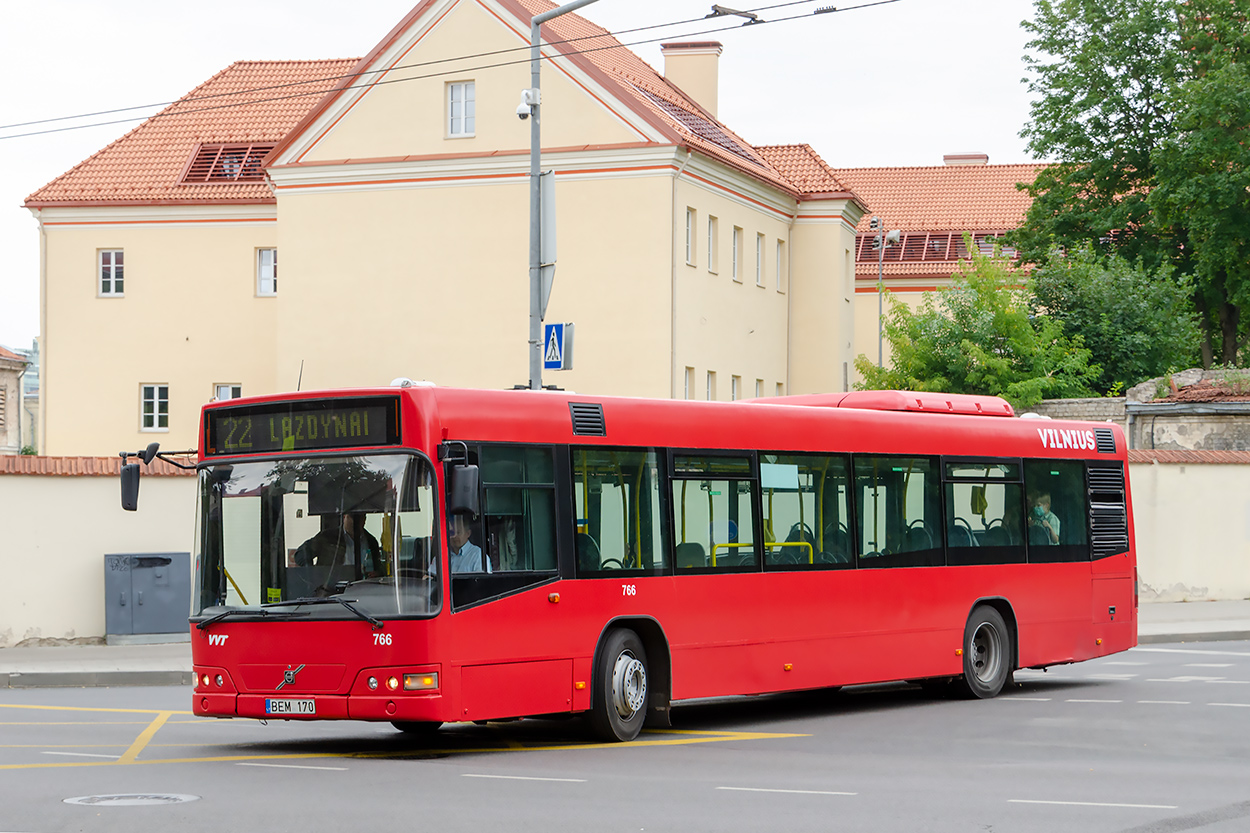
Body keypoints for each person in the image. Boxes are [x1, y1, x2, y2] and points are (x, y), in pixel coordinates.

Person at [293, 513, 383, 577]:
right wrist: (312, 573)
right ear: (344, 517)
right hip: (332, 591)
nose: (355, 522)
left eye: (360, 517)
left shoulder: (371, 541)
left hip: (363, 590)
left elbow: (379, 567)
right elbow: (301, 554)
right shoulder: (328, 537)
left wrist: (377, 573)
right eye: (352, 517)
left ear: (364, 519)